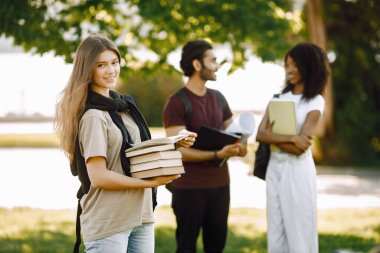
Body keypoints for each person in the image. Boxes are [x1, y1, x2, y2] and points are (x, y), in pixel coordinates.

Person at [55, 34, 196, 253]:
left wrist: (174, 143)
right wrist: (149, 184)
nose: (111, 70)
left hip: (141, 215)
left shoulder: (124, 107)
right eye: (101, 65)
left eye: (114, 63)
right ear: (87, 70)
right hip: (109, 220)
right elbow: (99, 176)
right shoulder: (94, 116)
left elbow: (134, 153)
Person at [162, 40, 247, 253]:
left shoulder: (218, 98)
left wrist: (241, 145)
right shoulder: (177, 102)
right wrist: (218, 153)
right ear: (197, 65)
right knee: (186, 247)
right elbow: (179, 150)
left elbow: (234, 132)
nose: (218, 65)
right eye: (213, 60)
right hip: (189, 189)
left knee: (216, 246)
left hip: (220, 186)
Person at [256, 42, 329, 253]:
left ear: (309, 66)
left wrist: (276, 138)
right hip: (274, 170)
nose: (289, 70)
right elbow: (260, 134)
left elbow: (300, 148)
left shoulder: (315, 101)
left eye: (294, 64)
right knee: (276, 230)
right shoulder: (277, 98)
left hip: (297, 171)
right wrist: (292, 138)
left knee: (300, 230)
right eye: (287, 64)